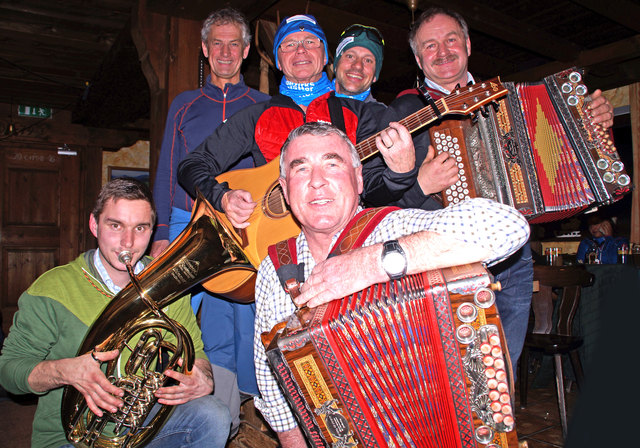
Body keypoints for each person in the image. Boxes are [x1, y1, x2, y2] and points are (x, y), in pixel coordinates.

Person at [359, 7, 617, 372]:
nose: (443, 51)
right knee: (449, 378)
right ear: (418, 59)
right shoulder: (401, 111)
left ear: (467, 44)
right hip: (442, 262)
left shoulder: (507, 99)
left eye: (451, 40)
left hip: (514, 262)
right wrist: (420, 185)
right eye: (430, 46)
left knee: (501, 373)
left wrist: (591, 124)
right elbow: (370, 197)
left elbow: (560, 151)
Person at [252, 122, 530, 447]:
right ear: (285, 190)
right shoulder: (275, 267)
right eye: (301, 170)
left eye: (332, 164)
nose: (316, 182)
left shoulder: (391, 228)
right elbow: (269, 374)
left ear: (358, 179)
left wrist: (372, 262)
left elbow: (509, 226)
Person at [0, 178, 230, 448]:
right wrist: (65, 371)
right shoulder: (52, 289)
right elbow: (8, 371)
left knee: (214, 415)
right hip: (69, 438)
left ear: (152, 230)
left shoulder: (170, 285)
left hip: (139, 426)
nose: (128, 243)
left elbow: (197, 353)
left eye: (140, 228)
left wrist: (201, 378)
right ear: (94, 225)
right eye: (115, 225)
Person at [150, 7, 269, 433]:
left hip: (241, 222)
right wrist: (163, 233)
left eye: (233, 43)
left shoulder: (261, 105)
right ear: (204, 49)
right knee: (170, 313)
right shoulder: (184, 105)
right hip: (187, 218)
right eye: (216, 43)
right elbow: (167, 168)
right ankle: (158, 402)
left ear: (246, 51)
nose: (224, 52)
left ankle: (239, 409)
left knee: (240, 315)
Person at [177, 14, 398, 231]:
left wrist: (401, 173)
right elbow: (191, 165)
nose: (301, 49)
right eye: (289, 44)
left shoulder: (359, 114)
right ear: (279, 63)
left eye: (310, 42)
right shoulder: (257, 116)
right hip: (276, 244)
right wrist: (222, 198)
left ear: (325, 58)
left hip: (344, 240)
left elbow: (373, 190)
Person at [331, 24, 384, 103]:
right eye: (350, 56)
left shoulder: (382, 114)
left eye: (368, 60)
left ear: (375, 76)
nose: (358, 66)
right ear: (335, 66)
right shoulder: (308, 104)